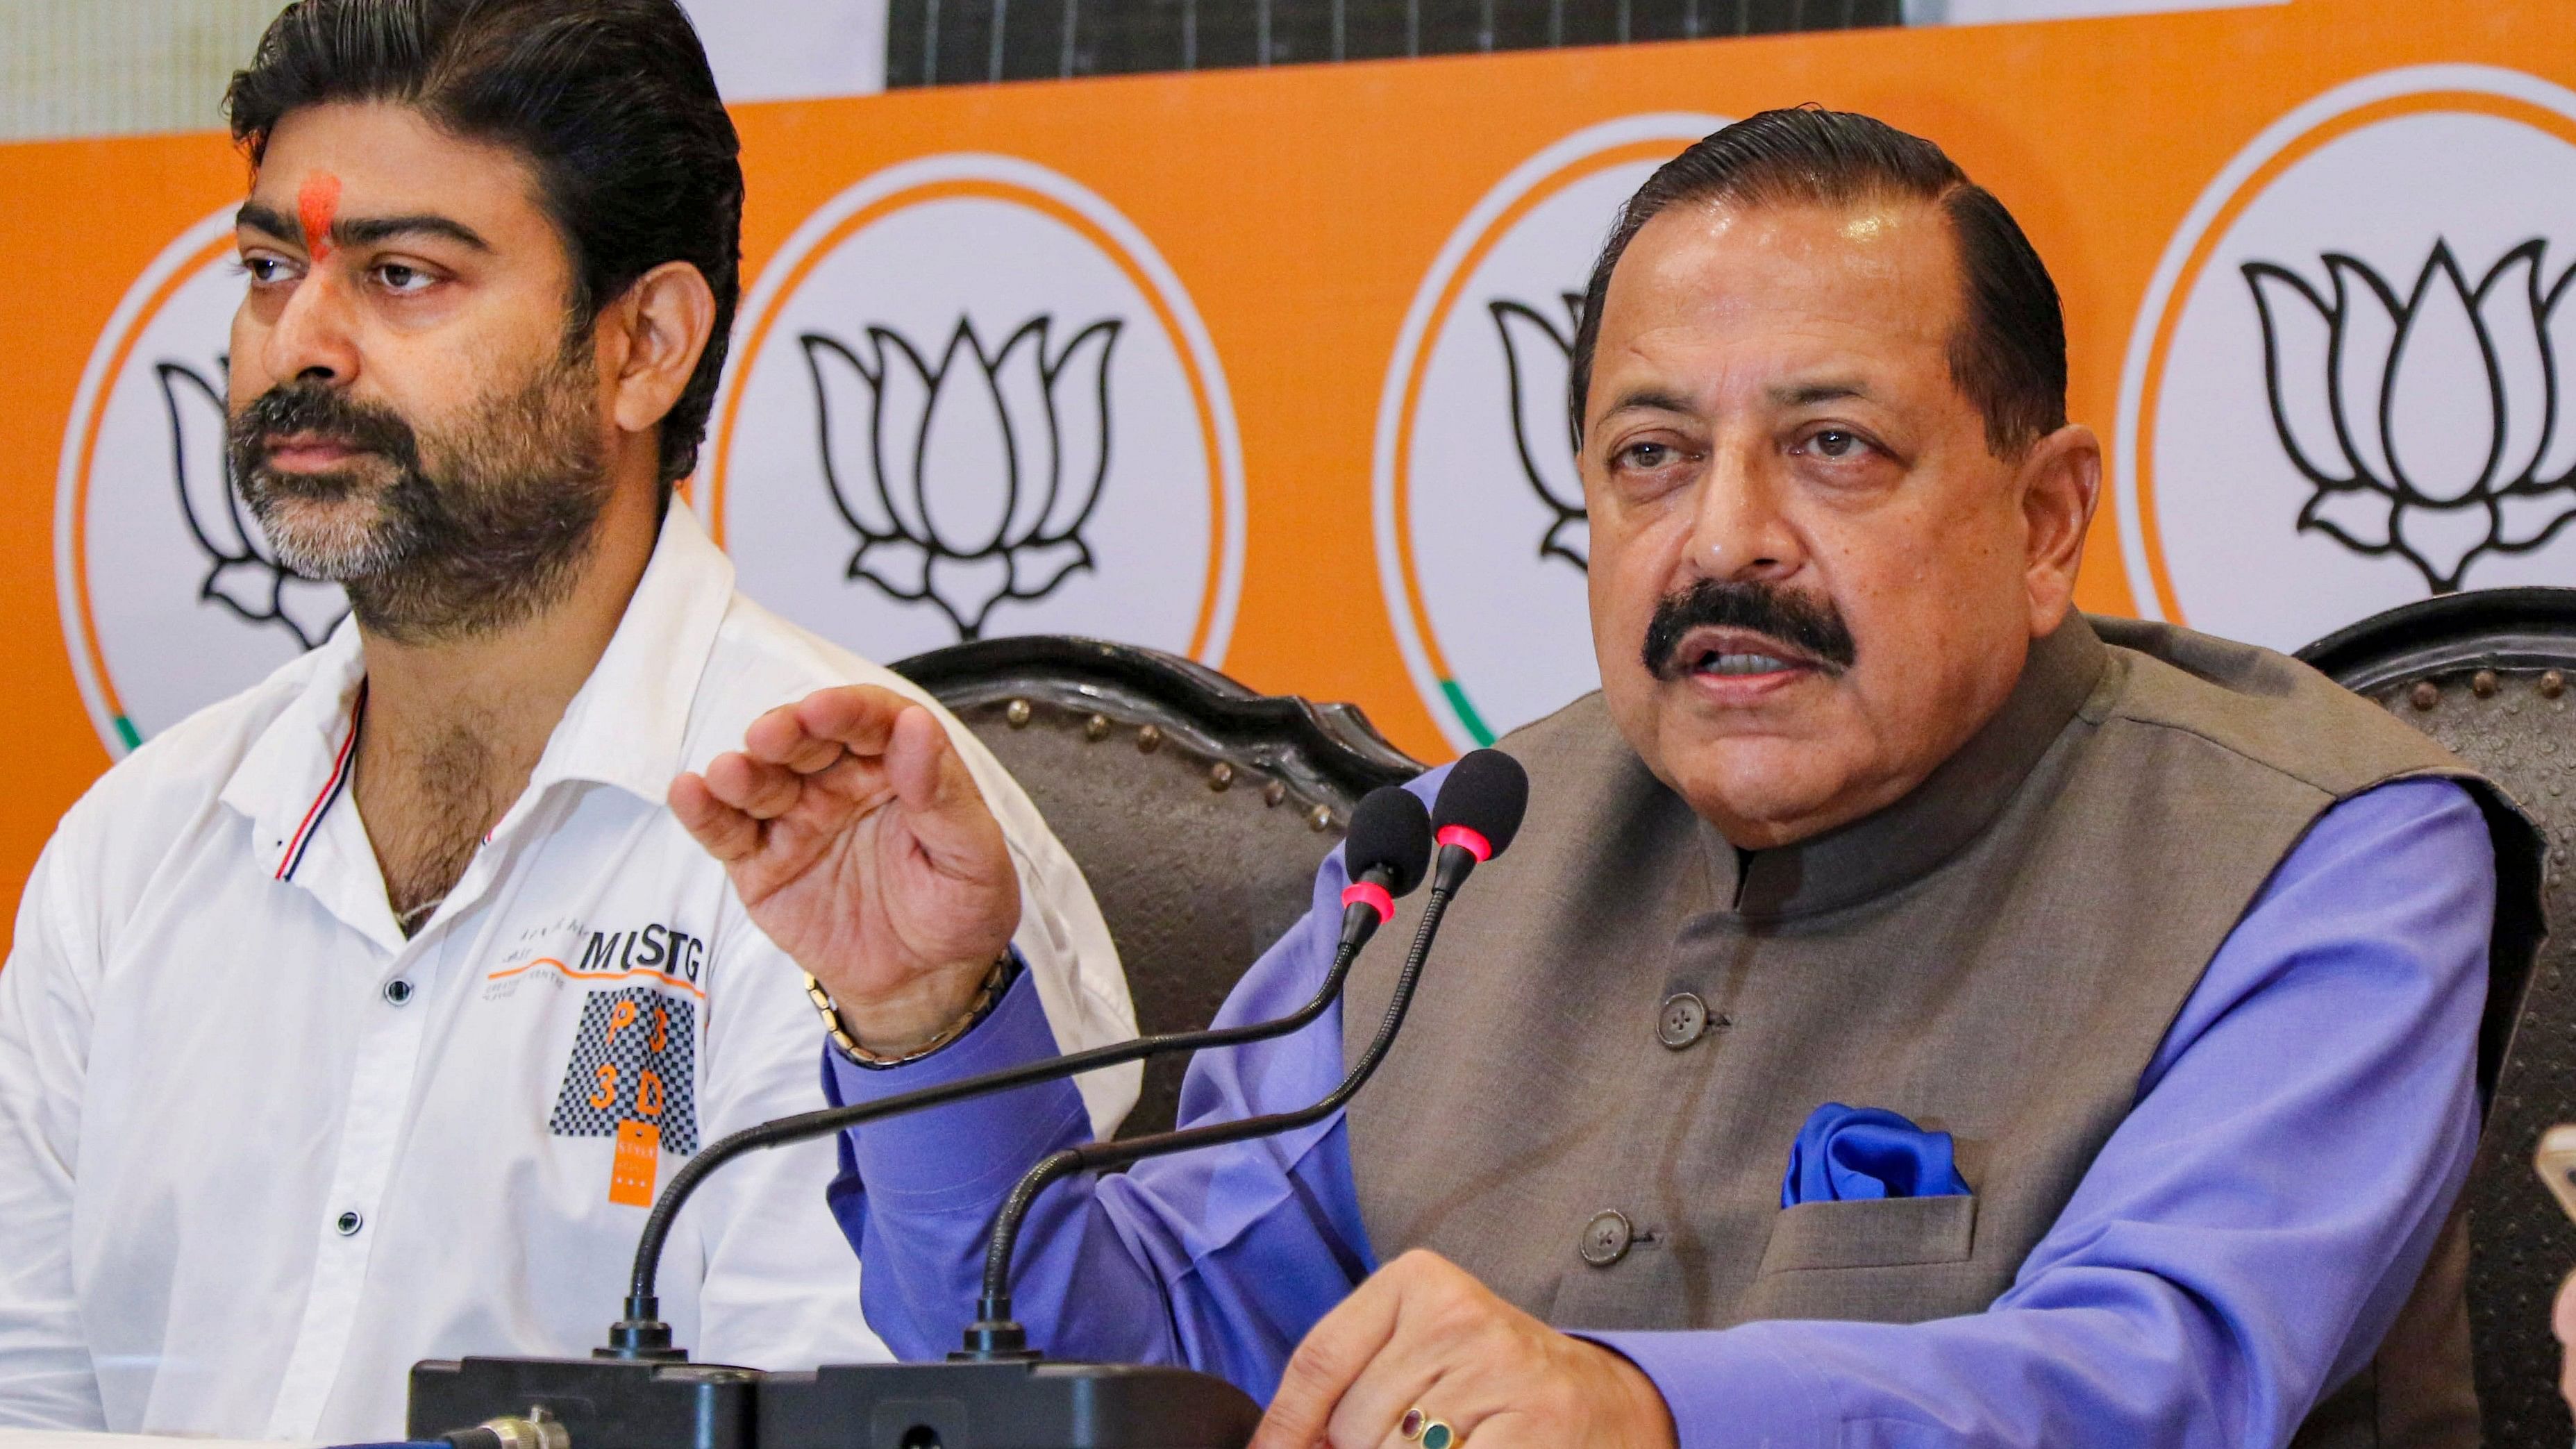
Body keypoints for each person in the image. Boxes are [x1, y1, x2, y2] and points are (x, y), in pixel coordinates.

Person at [679, 108, 2543, 1447]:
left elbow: (2167, 1378)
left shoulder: (2323, 852)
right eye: (1647, 460)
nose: (1723, 543)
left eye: (1831, 447)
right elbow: (1133, 1353)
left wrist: (1645, 1406)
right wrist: (931, 1024)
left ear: (2042, 515)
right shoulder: (1462, 849)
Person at [0, 1, 1136, 1439]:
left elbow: (883, 1419)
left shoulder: (865, 859)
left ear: (643, 346)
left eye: (401, 276)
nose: (303, 343)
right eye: (269, 268)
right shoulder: (135, 850)